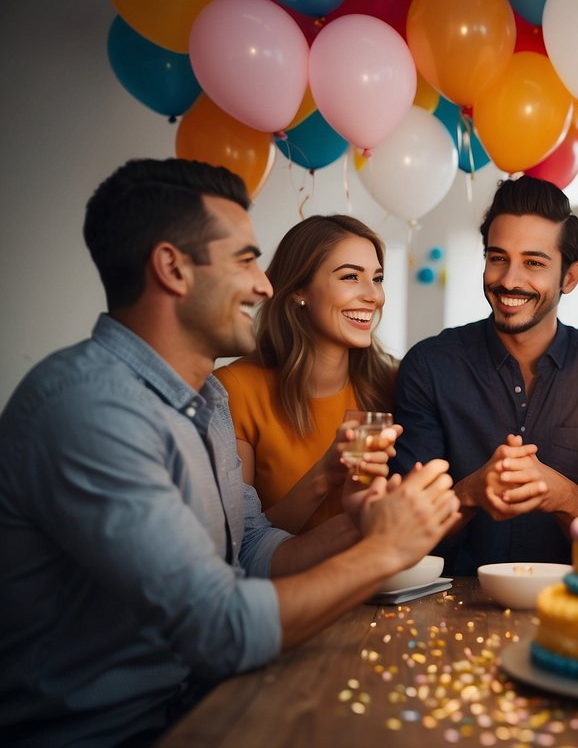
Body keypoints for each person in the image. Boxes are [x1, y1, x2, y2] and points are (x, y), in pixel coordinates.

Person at [0, 159, 460, 746]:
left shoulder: (207, 398)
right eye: (245, 260)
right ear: (172, 269)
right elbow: (220, 626)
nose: (265, 284)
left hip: (205, 700)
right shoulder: (91, 410)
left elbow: (247, 546)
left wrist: (360, 523)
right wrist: (382, 551)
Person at [391, 175, 578, 576]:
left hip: (577, 607)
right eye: (497, 258)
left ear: (570, 277)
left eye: (534, 263)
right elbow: (398, 536)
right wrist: (470, 492)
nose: (509, 280)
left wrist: (560, 494)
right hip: (442, 612)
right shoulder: (429, 366)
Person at [216, 215, 398, 534]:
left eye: (378, 278)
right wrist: (325, 475)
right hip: (282, 583)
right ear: (300, 290)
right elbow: (238, 543)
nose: (374, 295)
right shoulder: (237, 389)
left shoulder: (393, 382)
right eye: (350, 277)